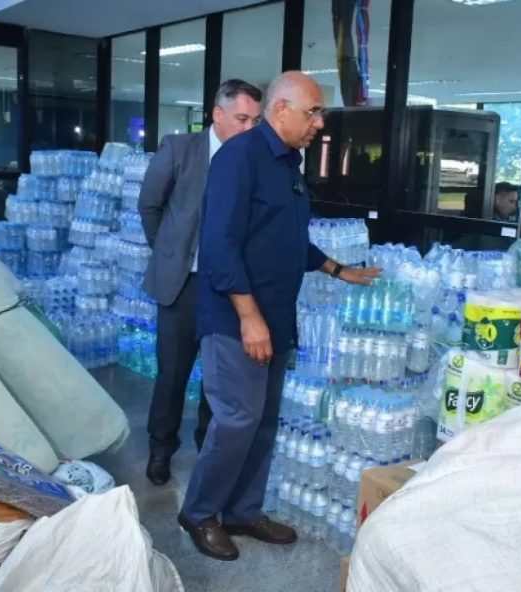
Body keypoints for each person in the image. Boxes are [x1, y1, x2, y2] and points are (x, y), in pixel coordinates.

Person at [178, 71, 380, 561]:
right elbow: (220, 246)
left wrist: (337, 269)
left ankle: (244, 512)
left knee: (263, 422)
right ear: (281, 109)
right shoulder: (239, 159)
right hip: (236, 322)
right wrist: (249, 317)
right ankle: (200, 513)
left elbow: (287, 237)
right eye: (312, 112)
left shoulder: (289, 165)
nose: (320, 122)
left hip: (276, 318)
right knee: (236, 420)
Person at [139, 79, 264, 486]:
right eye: (242, 118)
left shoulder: (252, 159)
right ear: (217, 115)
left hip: (227, 289)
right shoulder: (180, 149)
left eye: (255, 120)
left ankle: (208, 451)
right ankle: (161, 450)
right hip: (182, 287)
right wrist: (171, 254)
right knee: (172, 374)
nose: (249, 128)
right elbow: (150, 205)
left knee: (219, 379)